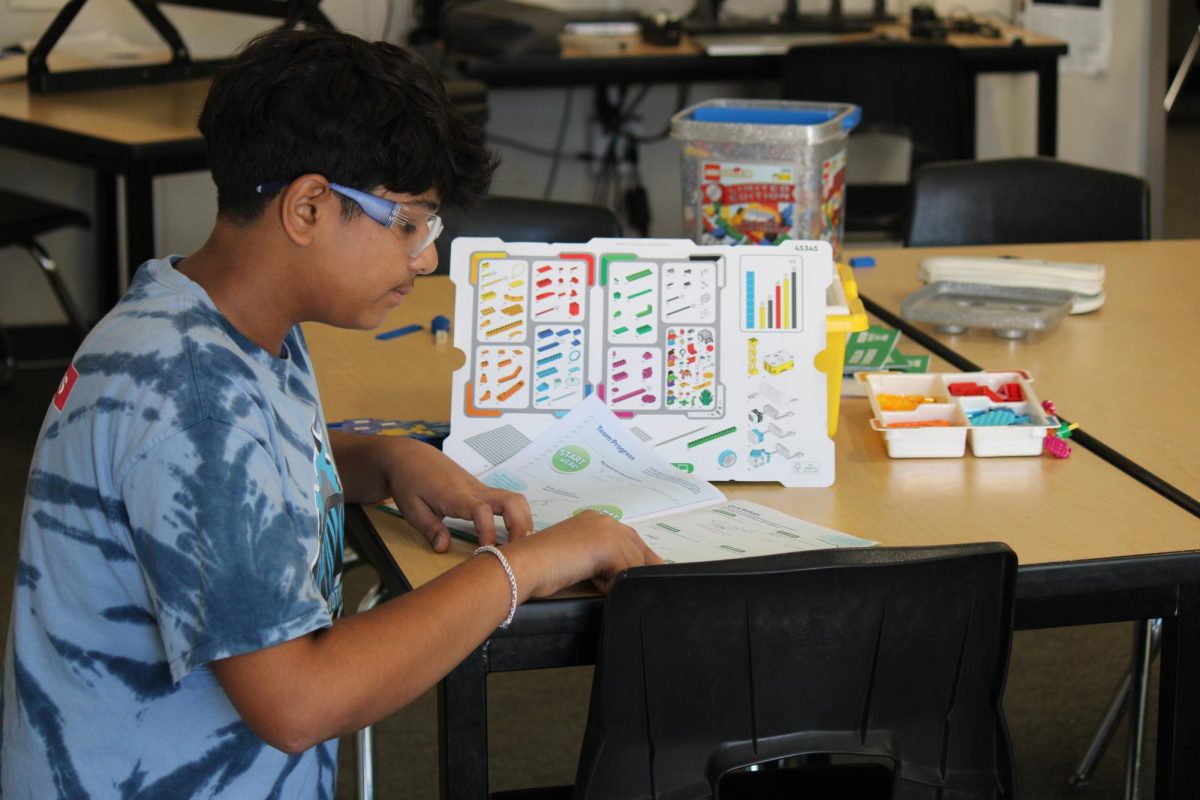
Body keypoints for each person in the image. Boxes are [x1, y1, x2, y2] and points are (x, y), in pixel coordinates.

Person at [0, 27, 658, 797]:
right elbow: (298, 702)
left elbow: (244, 478)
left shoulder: (212, 317)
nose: (426, 257)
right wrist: (530, 566)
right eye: (408, 223)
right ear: (309, 206)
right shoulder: (194, 395)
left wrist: (381, 459)